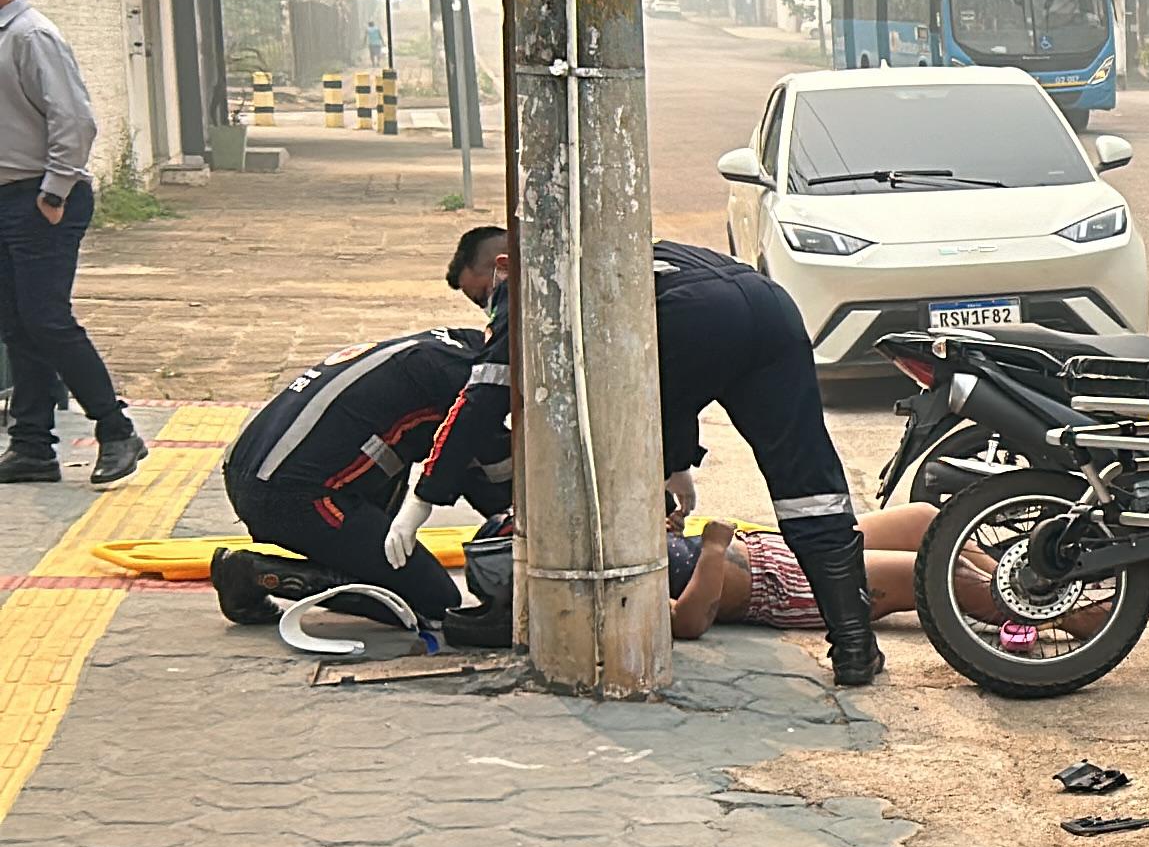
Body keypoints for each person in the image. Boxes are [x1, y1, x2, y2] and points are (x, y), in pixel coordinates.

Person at [411, 228, 884, 685]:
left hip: (697, 318)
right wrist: (677, 463)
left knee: (610, 456)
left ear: (502, 265)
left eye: (482, 295)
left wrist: (425, 496)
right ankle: (854, 644)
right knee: (807, 485)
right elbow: (679, 373)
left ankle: (609, 635)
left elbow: (485, 396)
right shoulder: (626, 247)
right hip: (769, 305)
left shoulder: (534, 277)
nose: (488, 308)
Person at [212, 325, 502, 627]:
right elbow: (477, 467)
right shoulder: (462, 382)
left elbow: (473, 463)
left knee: (403, 443)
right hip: (289, 496)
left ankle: (355, 566)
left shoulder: (448, 347)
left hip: (253, 470)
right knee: (431, 600)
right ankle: (253, 573)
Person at [0, 0, 144, 488]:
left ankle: (116, 429)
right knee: (17, 324)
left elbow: (75, 120)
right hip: (9, 196)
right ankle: (32, 447)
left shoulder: (31, 35)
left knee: (46, 319)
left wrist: (54, 191)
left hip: (40, 197)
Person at [670, 508, 927, 639]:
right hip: (783, 585)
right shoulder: (642, 588)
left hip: (777, 544)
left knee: (921, 519)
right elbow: (686, 622)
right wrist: (714, 549)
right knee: (932, 572)